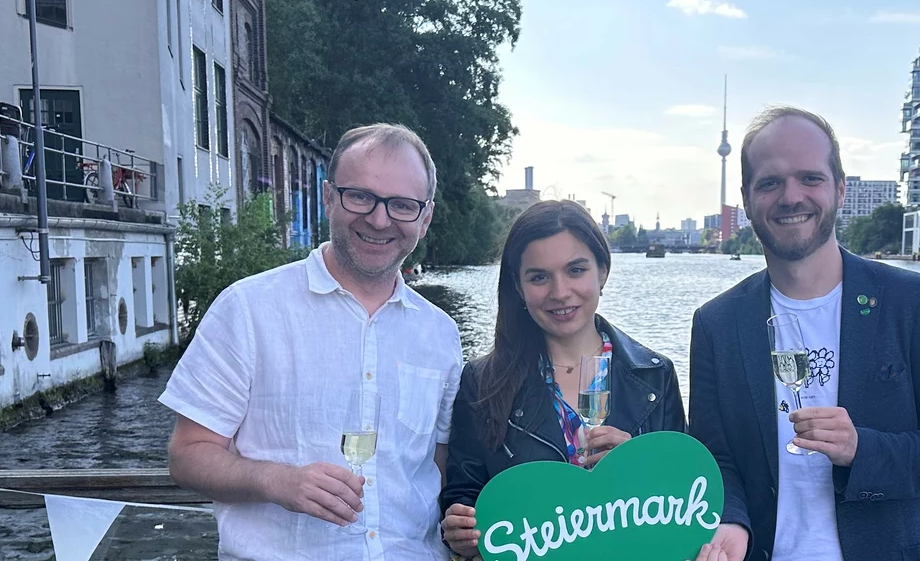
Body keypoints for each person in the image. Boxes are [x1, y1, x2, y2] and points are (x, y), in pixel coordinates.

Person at [688, 107, 920, 561]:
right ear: (747, 202)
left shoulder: (913, 302)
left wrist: (861, 449)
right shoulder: (717, 323)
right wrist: (731, 519)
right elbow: (716, 458)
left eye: (810, 178)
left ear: (840, 190)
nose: (791, 197)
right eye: (770, 182)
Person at [160, 124, 464, 560]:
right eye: (360, 196)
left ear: (425, 217)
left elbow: (435, 466)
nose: (380, 219)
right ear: (328, 196)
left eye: (402, 205)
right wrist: (277, 480)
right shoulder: (248, 309)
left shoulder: (440, 334)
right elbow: (187, 455)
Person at [437, 200, 687, 557]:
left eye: (575, 270)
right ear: (519, 288)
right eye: (539, 276)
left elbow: (682, 502)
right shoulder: (482, 382)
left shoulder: (655, 375)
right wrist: (458, 528)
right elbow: (464, 495)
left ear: (602, 271)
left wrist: (639, 466)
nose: (560, 292)